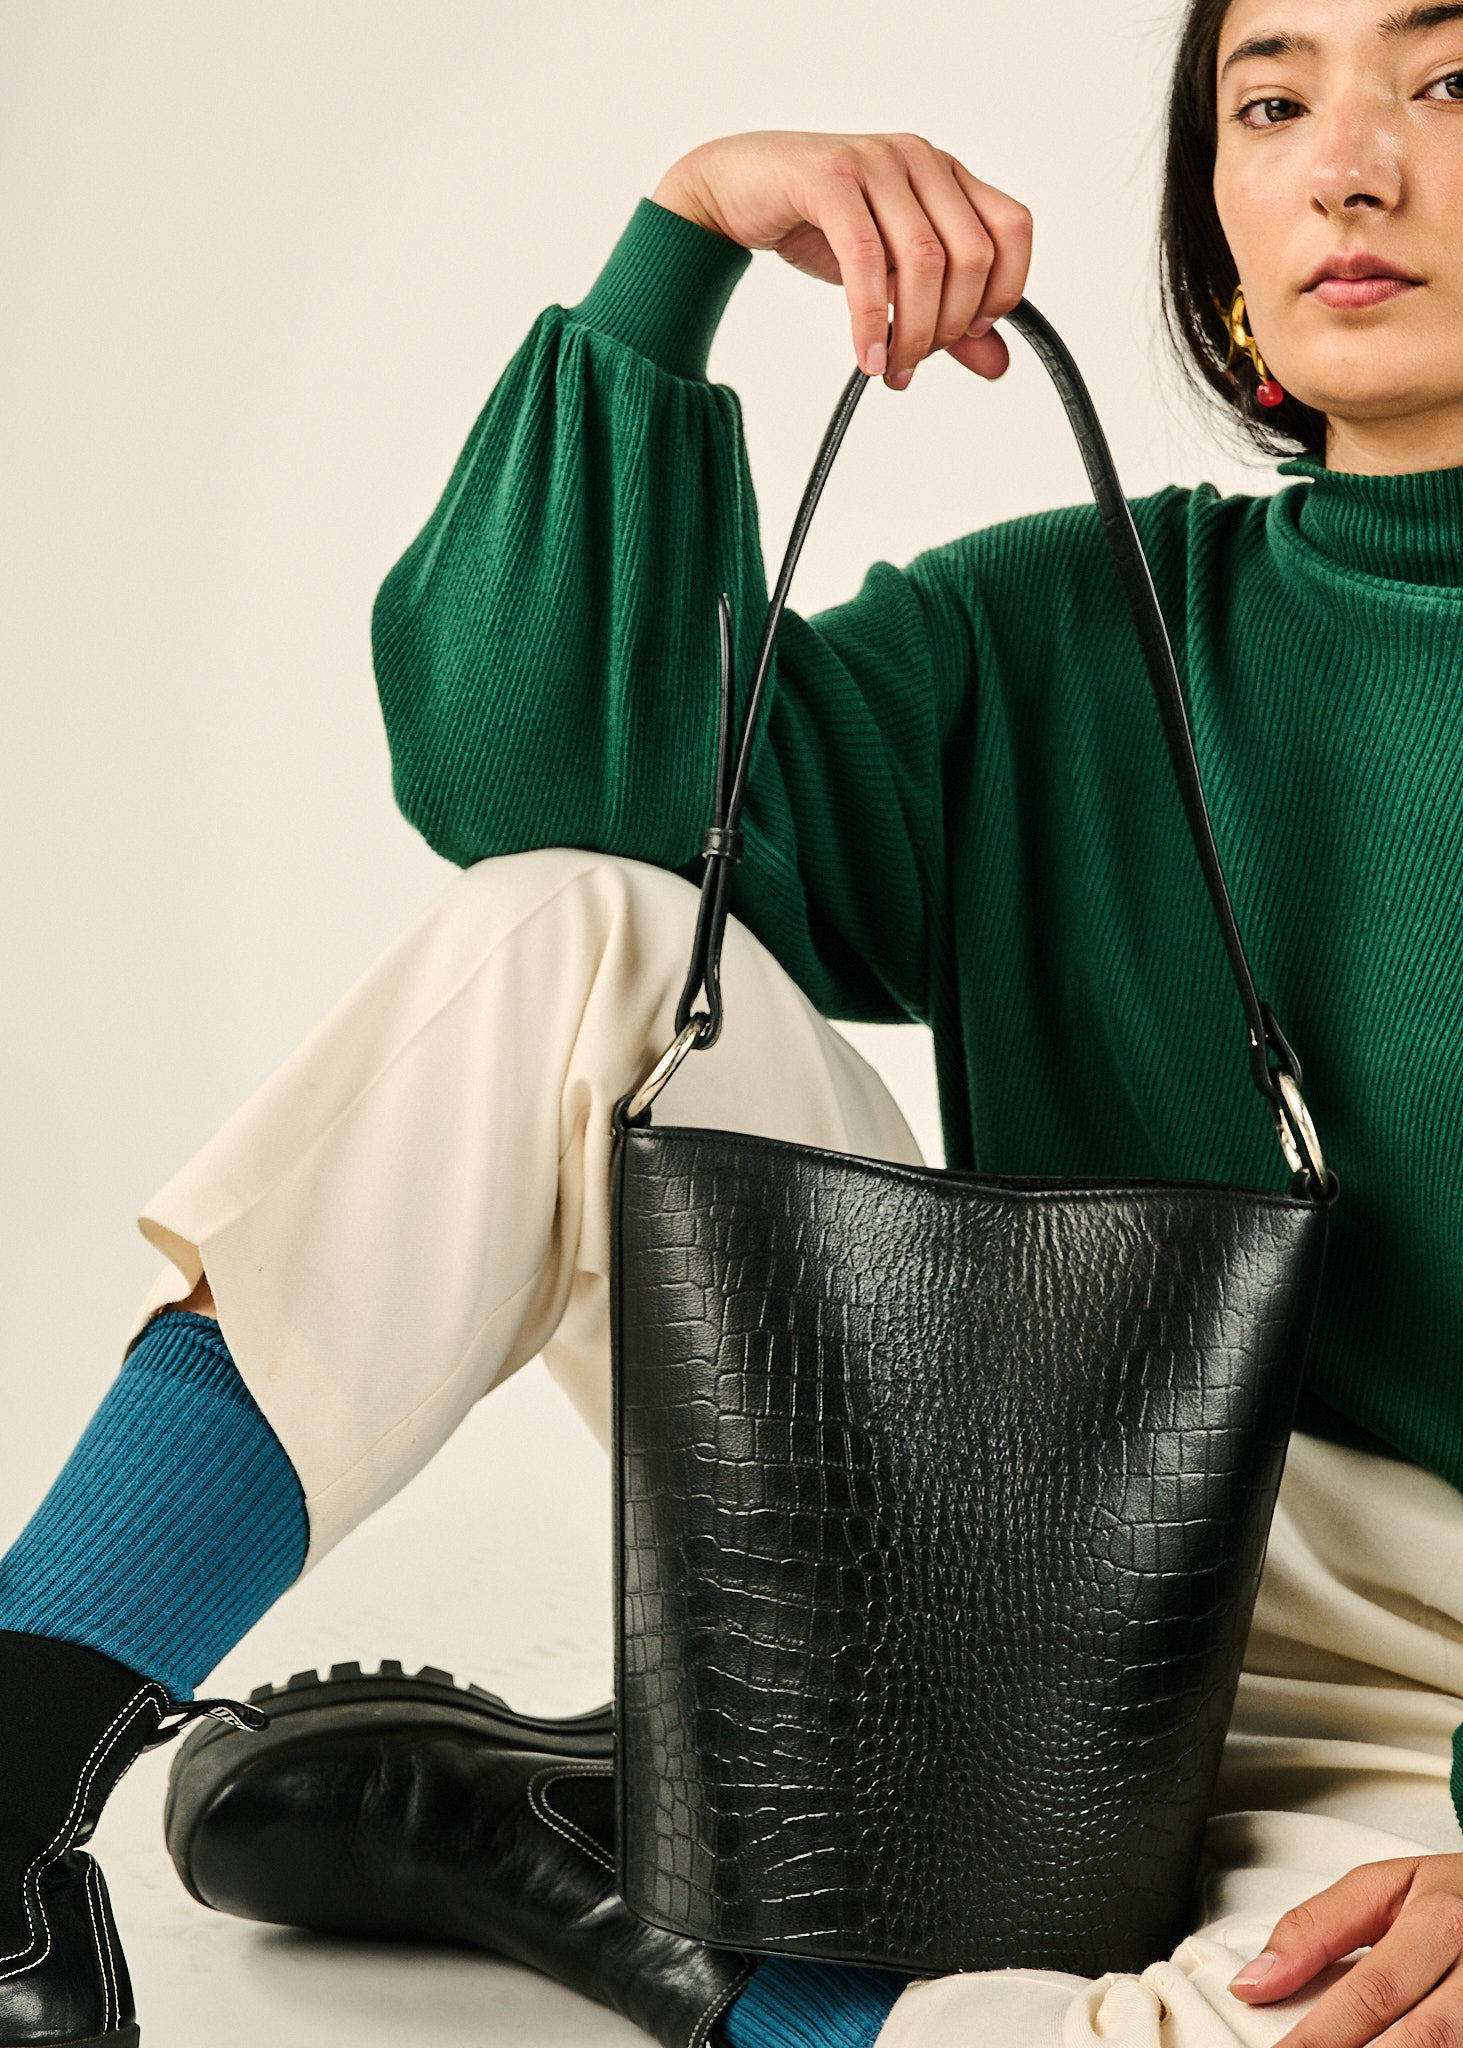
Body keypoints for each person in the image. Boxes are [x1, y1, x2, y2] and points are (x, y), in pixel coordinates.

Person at [8, 0, 1463, 2040]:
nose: (1348, 164)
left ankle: (669, 1890)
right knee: (576, 936)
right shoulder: (1066, 626)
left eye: (1450, 78)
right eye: (1271, 98)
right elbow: (529, 784)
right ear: (1211, 204)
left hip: (1422, 1696)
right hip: (1013, 1571)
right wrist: (682, 242)